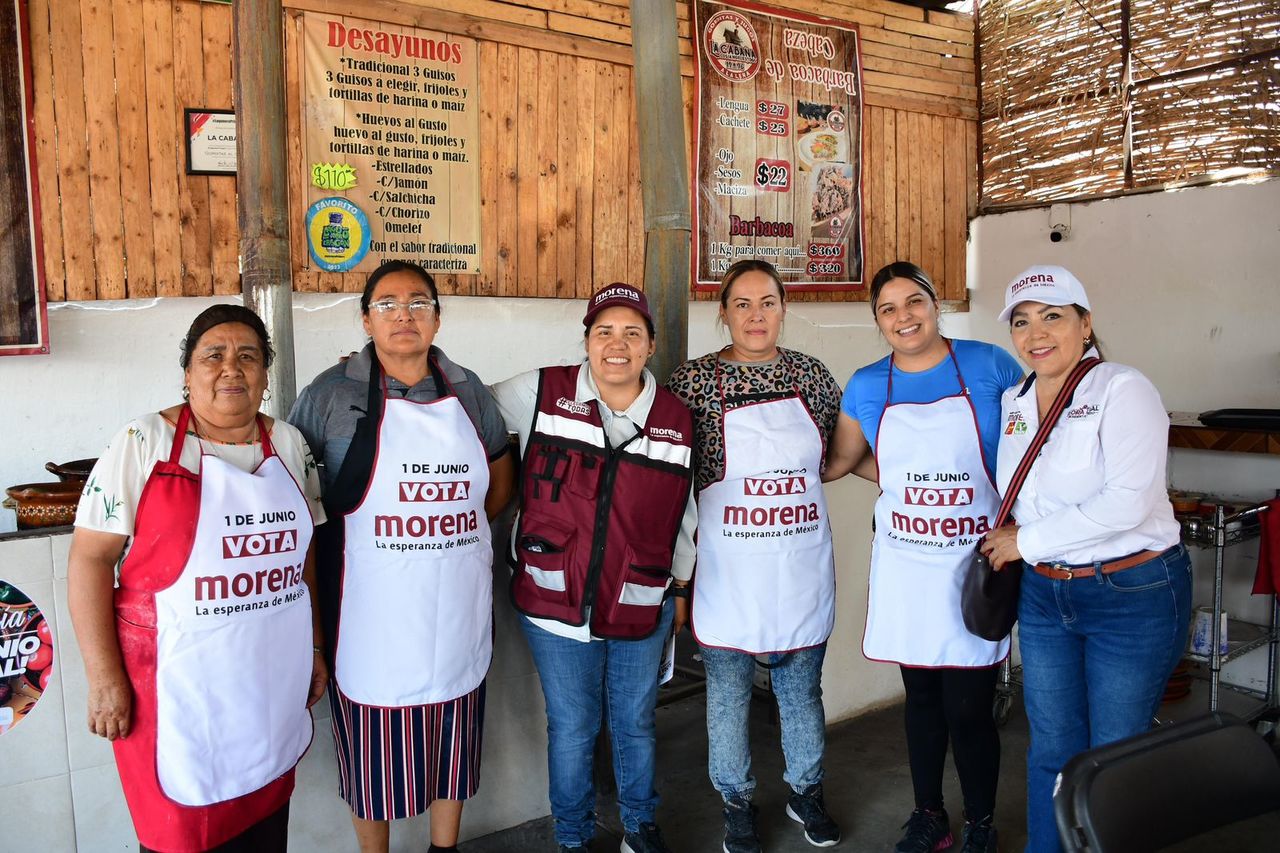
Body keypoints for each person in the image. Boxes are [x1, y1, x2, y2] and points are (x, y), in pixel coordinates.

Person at [67, 304, 327, 853]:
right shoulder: (144, 441)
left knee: (265, 828)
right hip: (172, 689)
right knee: (181, 834)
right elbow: (90, 559)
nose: (231, 368)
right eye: (214, 356)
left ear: (265, 374)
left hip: (268, 683)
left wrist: (314, 647)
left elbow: (304, 560)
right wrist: (104, 678)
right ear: (188, 373)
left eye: (248, 356)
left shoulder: (289, 443)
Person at [288, 260, 515, 853]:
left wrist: (449, 534)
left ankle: (445, 847)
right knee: (372, 754)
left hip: (455, 604)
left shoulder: (468, 389)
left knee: (454, 739)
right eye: (386, 304)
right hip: (368, 610)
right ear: (366, 320)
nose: (403, 315)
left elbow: (500, 476)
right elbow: (294, 490)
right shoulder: (328, 394)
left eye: (418, 302)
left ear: (438, 318)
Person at [979, 265, 1190, 853]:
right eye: (1022, 321)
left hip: (1131, 593)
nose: (1036, 333)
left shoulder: (1123, 389)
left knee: (1114, 753)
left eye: (1053, 316)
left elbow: (1128, 501)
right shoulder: (1016, 400)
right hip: (1046, 595)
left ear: (1086, 323)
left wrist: (1024, 542)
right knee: (1051, 747)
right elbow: (1025, 494)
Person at [491, 282, 696, 853]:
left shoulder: (676, 418)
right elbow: (462, 403)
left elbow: (685, 513)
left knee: (635, 723)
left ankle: (639, 826)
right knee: (573, 728)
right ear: (586, 341)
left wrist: (681, 587)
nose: (617, 344)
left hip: (640, 599)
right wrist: (391, 376)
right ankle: (573, 836)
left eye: (632, 332)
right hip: (554, 604)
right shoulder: (540, 391)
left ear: (650, 344)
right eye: (604, 331)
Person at [826, 262, 1022, 853]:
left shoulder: (990, 365)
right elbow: (843, 460)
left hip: (975, 564)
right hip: (908, 565)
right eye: (887, 308)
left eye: (914, 301)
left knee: (969, 708)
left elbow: (1031, 443)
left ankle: (981, 823)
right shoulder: (867, 384)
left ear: (936, 306)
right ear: (878, 320)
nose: (903, 317)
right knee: (923, 701)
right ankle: (929, 815)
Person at [667, 259, 844, 852]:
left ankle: (806, 790)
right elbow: (669, 474)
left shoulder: (811, 375)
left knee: (801, 692)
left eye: (767, 301)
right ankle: (736, 801)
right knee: (727, 695)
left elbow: (838, 455)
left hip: (798, 562)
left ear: (783, 308)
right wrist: (677, 580)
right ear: (723, 313)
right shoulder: (692, 382)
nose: (755, 315)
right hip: (728, 571)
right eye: (741, 304)